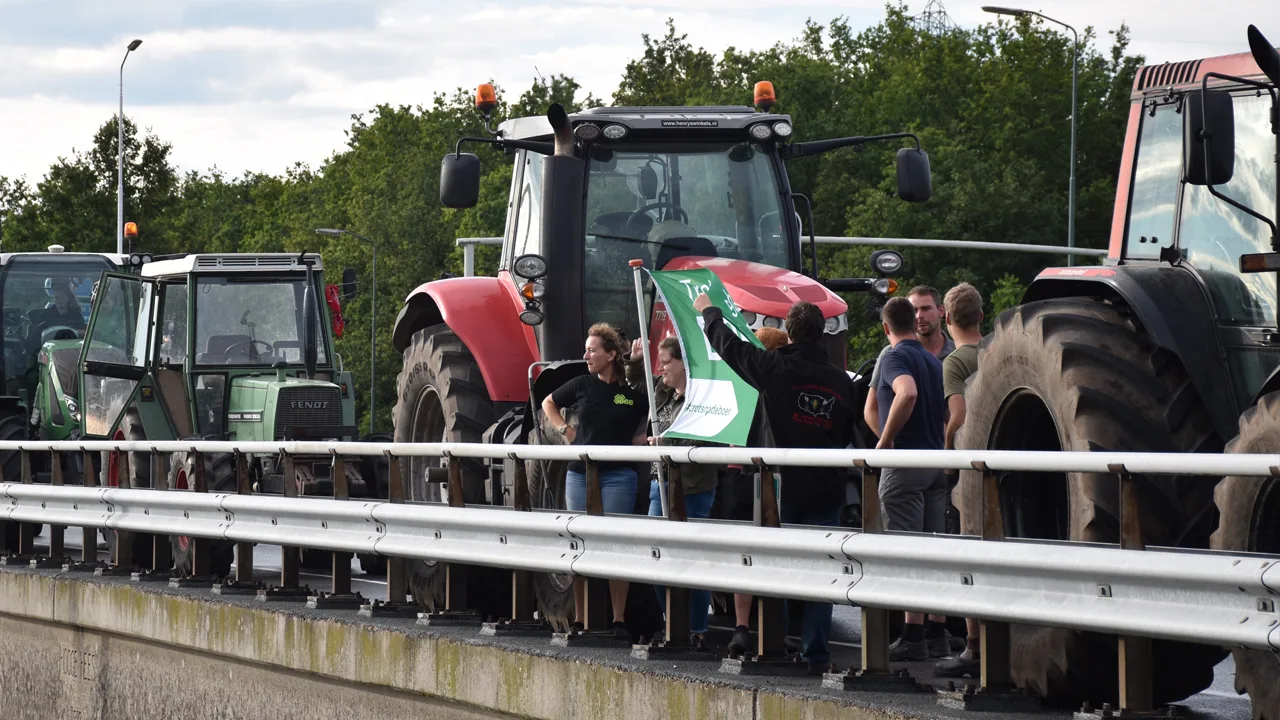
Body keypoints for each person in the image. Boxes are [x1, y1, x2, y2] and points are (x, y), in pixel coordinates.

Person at [692, 294, 854, 674]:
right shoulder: (841, 381)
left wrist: (709, 313)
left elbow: (732, 348)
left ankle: (775, 645)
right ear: (821, 335)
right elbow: (848, 430)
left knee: (778, 569)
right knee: (823, 574)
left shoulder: (775, 367)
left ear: (791, 332)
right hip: (827, 487)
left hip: (783, 490)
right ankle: (816, 654)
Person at [542, 323, 650, 641]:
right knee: (579, 542)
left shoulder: (632, 391)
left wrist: (642, 442)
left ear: (612, 355)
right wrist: (565, 431)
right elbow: (548, 403)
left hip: (619, 474)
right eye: (586, 349)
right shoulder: (581, 384)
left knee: (616, 545)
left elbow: (649, 416)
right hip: (580, 475)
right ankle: (582, 617)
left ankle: (617, 619)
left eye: (592, 350)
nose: (586, 355)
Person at [869, 296, 954, 661]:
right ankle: (937, 633)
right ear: (912, 322)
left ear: (886, 328)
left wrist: (886, 441)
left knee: (905, 552)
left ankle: (912, 635)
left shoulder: (894, 357)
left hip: (907, 463)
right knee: (932, 552)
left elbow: (906, 392)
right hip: (936, 463)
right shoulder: (933, 361)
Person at [624, 336, 718, 645]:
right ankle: (671, 621)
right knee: (655, 558)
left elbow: (709, 440)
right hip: (658, 484)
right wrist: (636, 359)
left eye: (666, 362)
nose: (661, 368)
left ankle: (696, 629)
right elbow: (638, 385)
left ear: (684, 364)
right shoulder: (661, 391)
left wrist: (670, 444)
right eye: (660, 362)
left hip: (692, 486)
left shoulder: (703, 399)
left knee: (693, 561)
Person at [725, 326, 787, 657]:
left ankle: (742, 627)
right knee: (774, 552)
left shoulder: (746, 384)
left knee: (744, 553)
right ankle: (772, 625)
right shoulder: (780, 383)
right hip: (772, 477)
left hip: (743, 475)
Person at [934, 282, 985, 677]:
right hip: (1000, 468)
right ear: (981, 316)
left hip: (967, 474)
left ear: (946, 319)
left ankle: (973, 646)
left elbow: (960, 416)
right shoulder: (995, 351)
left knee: (966, 556)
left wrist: (947, 450)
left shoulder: (955, 362)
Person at [864, 285, 952, 437]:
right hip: (903, 453)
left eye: (925, 309)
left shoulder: (956, 354)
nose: (919, 316)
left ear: (941, 311)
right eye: (914, 310)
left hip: (944, 454)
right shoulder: (889, 353)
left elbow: (954, 414)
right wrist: (889, 441)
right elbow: (871, 409)